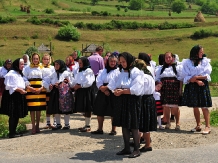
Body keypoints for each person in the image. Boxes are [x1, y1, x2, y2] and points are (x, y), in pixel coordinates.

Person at [108, 52, 144, 158]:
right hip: (122, 100)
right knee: (125, 124)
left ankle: (137, 149)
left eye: (124, 62)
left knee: (134, 124)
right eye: (121, 62)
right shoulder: (120, 72)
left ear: (129, 61)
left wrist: (123, 91)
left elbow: (136, 89)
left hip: (132, 100)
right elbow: (112, 84)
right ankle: (127, 147)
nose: (122, 64)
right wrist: (115, 90)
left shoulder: (136, 72)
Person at [182, 45, 212, 135]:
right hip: (193, 86)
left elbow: (207, 75)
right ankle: (198, 125)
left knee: (204, 106)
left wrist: (196, 77)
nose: (202, 53)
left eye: (202, 52)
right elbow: (186, 76)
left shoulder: (205, 61)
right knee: (195, 106)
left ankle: (208, 126)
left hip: (203, 85)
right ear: (195, 53)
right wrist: (196, 80)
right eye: (200, 52)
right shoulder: (187, 63)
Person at [91, 54, 120, 135]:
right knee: (100, 110)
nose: (113, 63)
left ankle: (113, 130)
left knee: (113, 111)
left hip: (112, 91)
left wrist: (107, 88)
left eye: (114, 61)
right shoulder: (102, 71)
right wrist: (102, 89)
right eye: (111, 61)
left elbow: (115, 82)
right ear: (108, 61)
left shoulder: (118, 71)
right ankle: (100, 129)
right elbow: (98, 80)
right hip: (102, 91)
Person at [132, 59, 156, 153]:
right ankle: (143, 143)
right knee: (146, 122)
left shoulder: (142, 77)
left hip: (143, 99)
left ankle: (146, 145)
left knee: (142, 123)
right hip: (150, 99)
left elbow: (139, 90)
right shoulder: (150, 76)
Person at [0, 58, 28, 138]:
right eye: (21, 64)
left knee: (17, 114)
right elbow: (9, 86)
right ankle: (11, 133)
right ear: (17, 65)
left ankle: (14, 131)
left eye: (23, 64)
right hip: (12, 96)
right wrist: (19, 90)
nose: (23, 66)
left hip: (19, 95)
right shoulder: (11, 73)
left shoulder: (19, 73)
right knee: (13, 115)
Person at [155, 52, 183, 130]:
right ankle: (168, 122)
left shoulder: (177, 67)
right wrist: (159, 85)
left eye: (169, 57)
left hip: (174, 88)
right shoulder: (160, 68)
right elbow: (157, 79)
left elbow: (180, 79)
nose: (168, 59)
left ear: (172, 58)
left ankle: (177, 123)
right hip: (165, 88)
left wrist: (180, 89)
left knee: (175, 107)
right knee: (165, 106)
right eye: (166, 58)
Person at [45, 60, 74, 130]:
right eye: (55, 65)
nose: (56, 66)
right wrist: (50, 85)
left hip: (65, 92)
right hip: (55, 92)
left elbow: (72, 82)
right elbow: (47, 81)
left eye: (58, 64)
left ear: (61, 65)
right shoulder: (53, 74)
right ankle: (58, 124)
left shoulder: (66, 73)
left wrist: (66, 82)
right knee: (56, 107)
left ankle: (67, 124)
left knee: (66, 107)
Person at [23, 53, 47, 134]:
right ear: (32, 59)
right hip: (31, 90)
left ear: (39, 59)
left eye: (37, 58)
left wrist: (41, 88)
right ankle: (33, 125)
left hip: (40, 90)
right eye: (34, 58)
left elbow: (45, 78)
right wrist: (29, 87)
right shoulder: (27, 68)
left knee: (39, 108)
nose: (35, 60)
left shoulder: (42, 67)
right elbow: (24, 78)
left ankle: (37, 125)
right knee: (32, 109)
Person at [73, 57, 95, 132]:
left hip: (86, 90)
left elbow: (88, 82)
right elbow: (76, 79)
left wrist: (80, 86)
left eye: (81, 63)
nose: (79, 64)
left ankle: (88, 125)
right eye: (79, 63)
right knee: (82, 107)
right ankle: (86, 124)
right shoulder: (80, 70)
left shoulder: (88, 70)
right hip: (80, 90)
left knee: (87, 107)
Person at [41, 53, 56, 129]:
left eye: (47, 59)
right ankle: (48, 122)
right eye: (45, 59)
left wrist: (52, 84)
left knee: (53, 105)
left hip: (52, 88)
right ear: (42, 59)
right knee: (47, 106)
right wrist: (46, 85)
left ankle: (55, 122)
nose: (46, 60)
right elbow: (41, 78)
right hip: (44, 89)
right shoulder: (40, 67)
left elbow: (54, 77)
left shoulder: (53, 68)